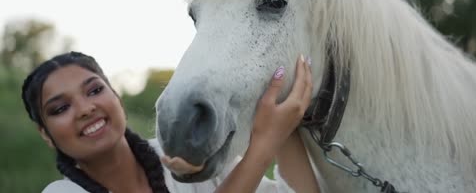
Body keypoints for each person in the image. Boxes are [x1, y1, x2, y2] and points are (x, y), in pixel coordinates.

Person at [21, 51, 320, 193]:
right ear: (46, 134)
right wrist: (263, 145)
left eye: (95, 90)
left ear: (117, 97)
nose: (86, 109)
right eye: (60, 108)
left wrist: (283, 115)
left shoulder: (186, 157)